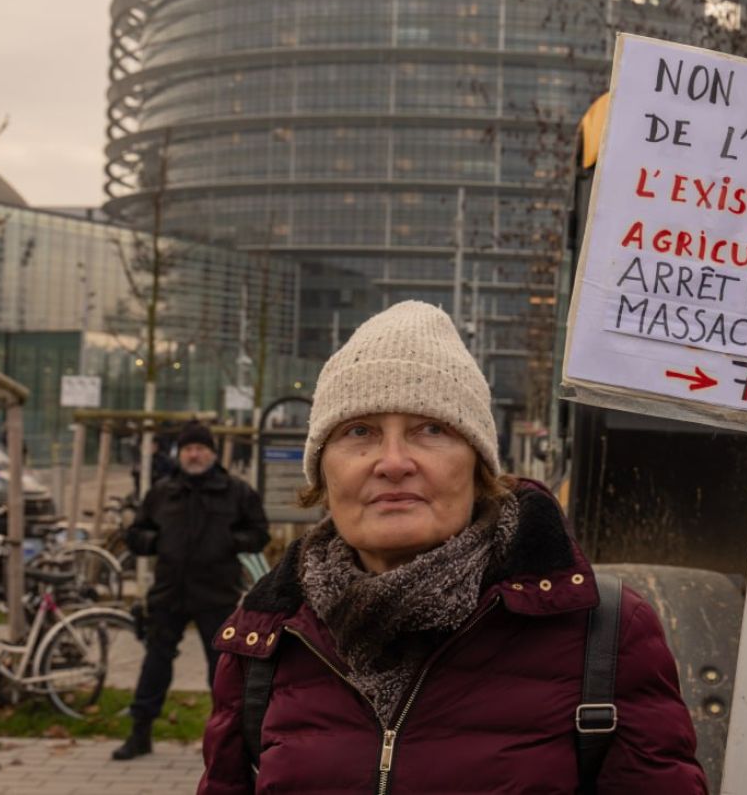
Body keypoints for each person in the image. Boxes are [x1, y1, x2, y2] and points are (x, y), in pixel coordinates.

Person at [198, 301, 706, 793]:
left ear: (479, 465)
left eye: (431, 429)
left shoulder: (604, 631)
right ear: (323, 471)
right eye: (359, 431)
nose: (393, 462)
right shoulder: (262, 641)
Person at [115, 421, 270, 761]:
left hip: (216, 594)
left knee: (223, 671)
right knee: (155, 663)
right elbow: (136, 535)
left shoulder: (236, 491)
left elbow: (259, 533)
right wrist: (156, 542)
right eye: (188, 448)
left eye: (200, 448)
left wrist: (228, 542)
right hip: (168, 592)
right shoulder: (162, 491)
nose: (194, 454)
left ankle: (229, 742)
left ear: (212, 453)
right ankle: (140, 731)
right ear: (180, 453)